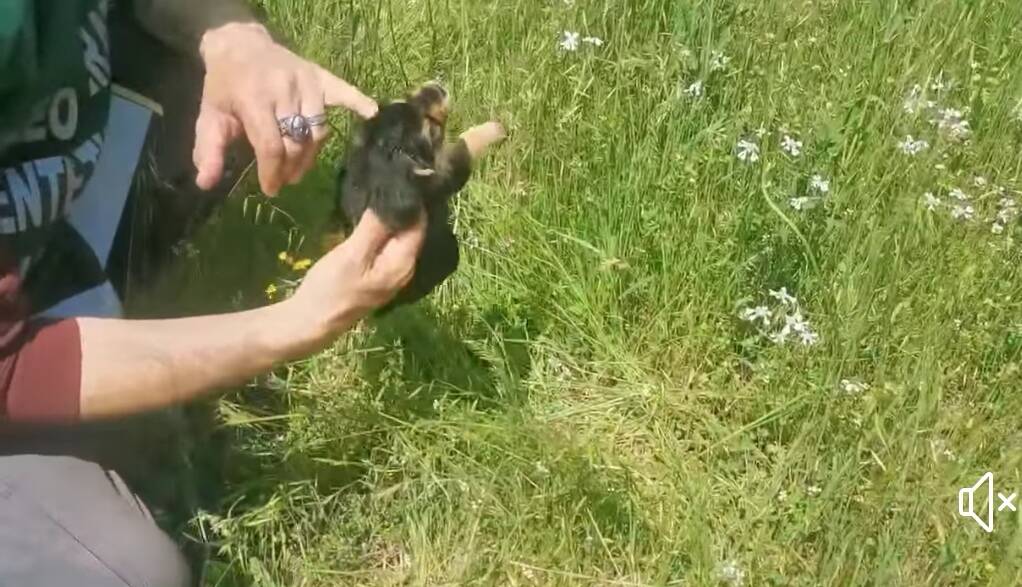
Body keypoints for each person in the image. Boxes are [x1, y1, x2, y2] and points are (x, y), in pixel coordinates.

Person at [0, 1, 425, 585]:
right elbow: (9, 364)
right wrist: (298, 321)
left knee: (230, 78)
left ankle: (114, 289)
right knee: (121, 574)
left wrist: (233, 39)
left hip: (33, 252)